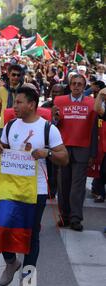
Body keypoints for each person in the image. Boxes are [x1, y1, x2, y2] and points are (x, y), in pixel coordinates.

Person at [0, 85, 69, 286]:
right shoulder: (10, 126)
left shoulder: (48, 129)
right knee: (1, 229)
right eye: (14, 102)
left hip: (36, 190)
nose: (14, 106)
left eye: (18, 102)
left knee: (30, 235)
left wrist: (48, 153)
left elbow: (64, 157)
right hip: (9, 188)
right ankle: (11, 262)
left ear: (31, 104)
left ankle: (27, 280)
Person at [55, 74, 97, 231]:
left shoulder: (92, 103)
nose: (77, 86)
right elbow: (54, 125)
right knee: (63, 185)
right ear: (69, 85)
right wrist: (55, 118)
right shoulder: (59, 101)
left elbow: (94, 130)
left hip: (83, 149)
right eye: (74, 83)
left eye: (80, 84)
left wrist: (93, 153)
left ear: (84, 86)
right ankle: (64, 217)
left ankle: (75, 218)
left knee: (77, 188)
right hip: (62, 149)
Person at [0, 64, 23, 141]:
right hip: (4, 126)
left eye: (18, 75)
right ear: (8, 75)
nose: (16, 77)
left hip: (21, 126)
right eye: (13, 74)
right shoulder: (1, 90)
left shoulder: (25, 90)